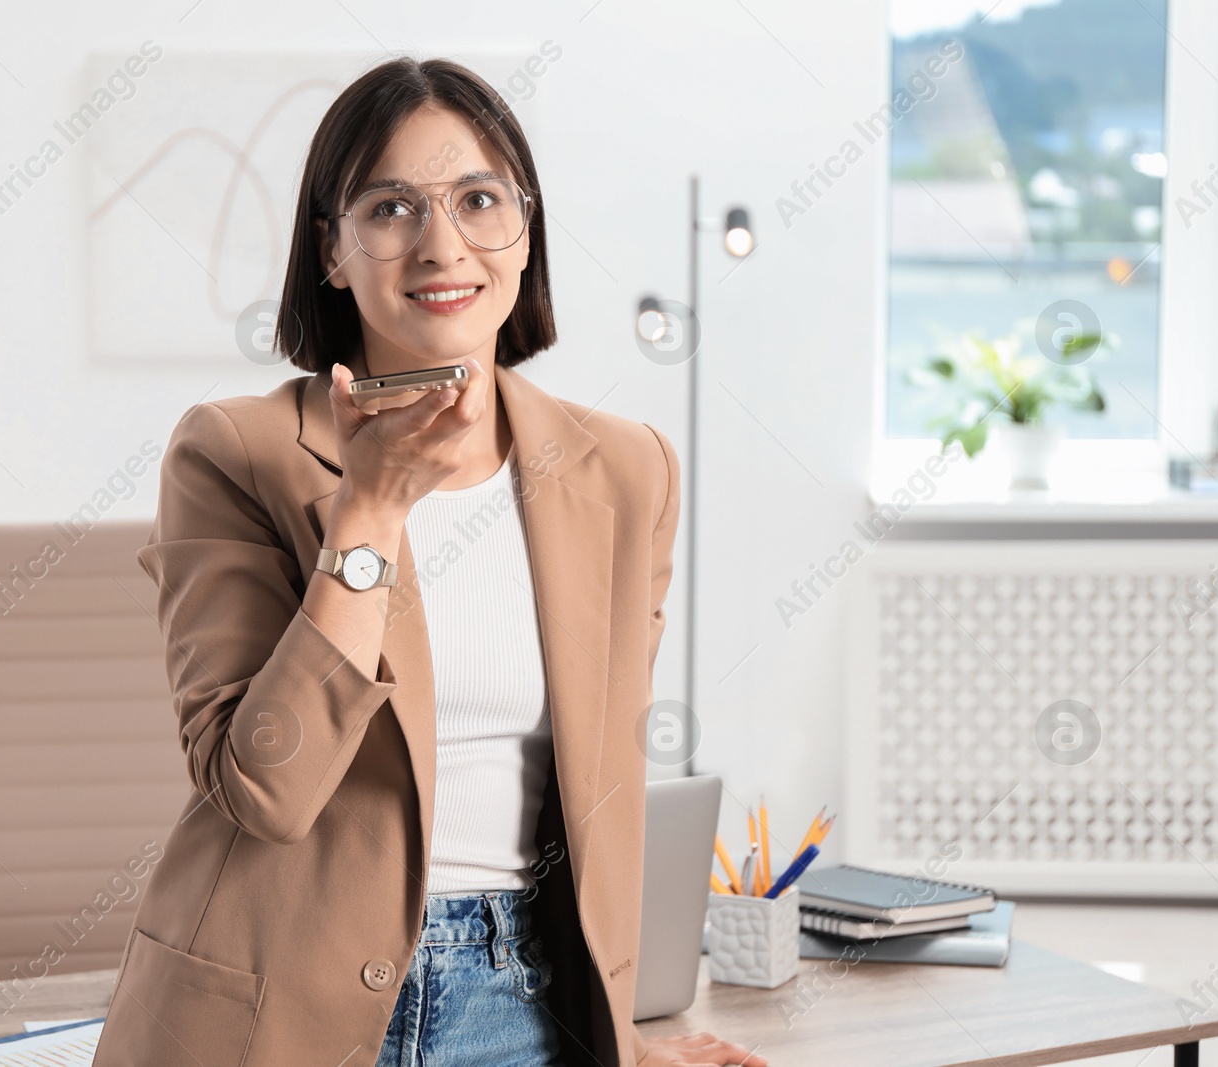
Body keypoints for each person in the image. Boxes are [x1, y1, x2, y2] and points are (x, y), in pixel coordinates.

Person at [91, 56, 768, 1067]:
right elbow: (261, 787)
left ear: (524, 232)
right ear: (332, 248)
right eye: (392, 206)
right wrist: (368, 510)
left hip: (523, 1002)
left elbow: (597, 787)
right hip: (274, 1010)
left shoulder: (626, 470)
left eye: (478, 199)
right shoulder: (233, 453)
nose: (441, 243)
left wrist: (615, 1037)